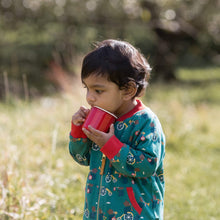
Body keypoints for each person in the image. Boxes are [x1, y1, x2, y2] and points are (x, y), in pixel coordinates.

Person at [69, 39, 165, 220]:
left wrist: (110, 145)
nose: (89, 98)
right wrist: (78, 132)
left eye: (98, 91)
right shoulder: (102, 118)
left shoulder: (145, 121)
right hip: (97, 214)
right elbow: (83, 158)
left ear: (128, 90)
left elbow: (147, 165)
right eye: (87, 89)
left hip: (136, 214)